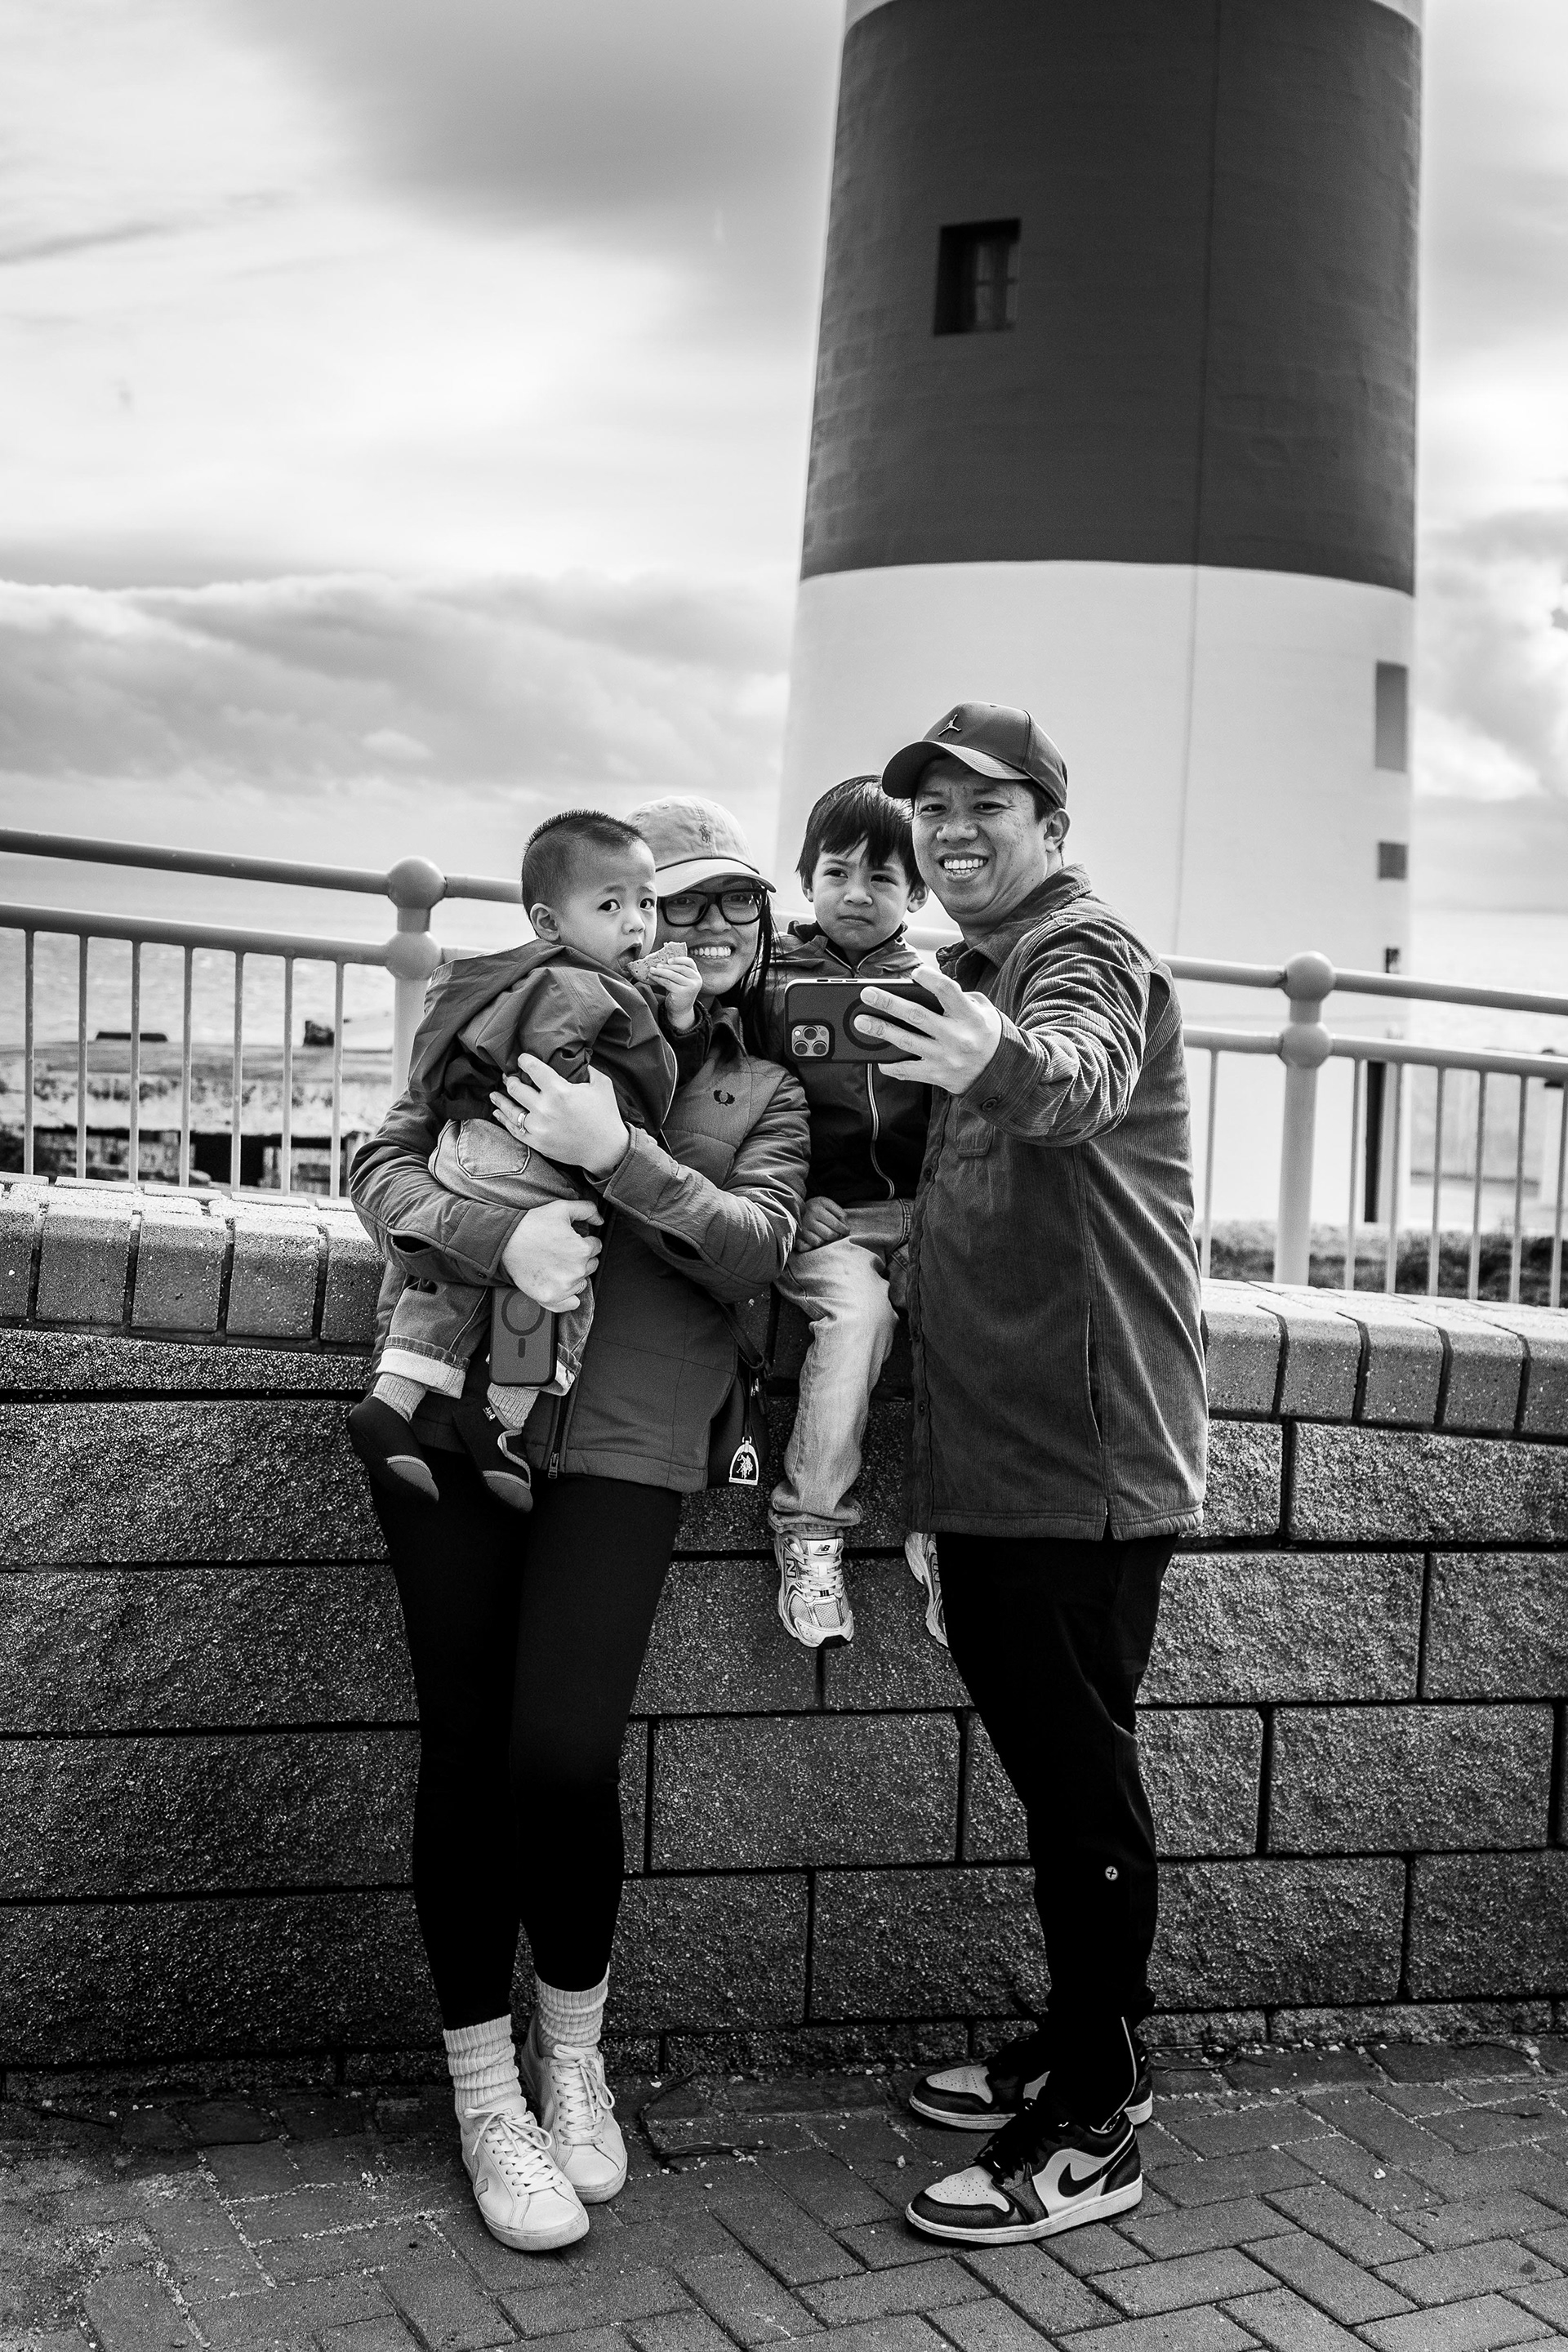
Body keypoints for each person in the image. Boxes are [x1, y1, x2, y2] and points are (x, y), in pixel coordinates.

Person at [348, 795, 808, 2256]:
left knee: (560, 1753)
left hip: (627, 1446)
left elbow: (753, 1253)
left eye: (731, 907)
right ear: (614, 910)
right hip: (456, 1413)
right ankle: (487, 2090)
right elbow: (383, 1165)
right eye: (671, 904)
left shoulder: (763, 1092)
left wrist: (616, 1154)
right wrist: (499, 1234)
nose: (697, 932)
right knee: (469, 1750)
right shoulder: (514, 1006)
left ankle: (574, 2059)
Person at [851, 702, 1206, 2246]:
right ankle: (1077, 2042)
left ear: (1053, 828)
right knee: (1061, 1767)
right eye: (929, 808)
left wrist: (993, 1047)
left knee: (1077, 1784)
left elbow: (1072, 1076)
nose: (951, 830)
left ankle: (1100, 2112)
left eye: (989, 805)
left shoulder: (1084, 952)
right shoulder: (961, 972)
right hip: (1001, 1457)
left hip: (1087, 1456)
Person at [345, 812, 702, 1512]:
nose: (637, 924)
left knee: (484, 1286)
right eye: (611, 906)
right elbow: (579, 1068)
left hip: (478, 1150)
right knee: (561, 1288)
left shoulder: (560, 975)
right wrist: (603, 1124)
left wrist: (674, 1014)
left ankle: (395, 1398)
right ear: (547, 921)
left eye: (647, 903)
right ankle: (500, 1415)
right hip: (523, 1154)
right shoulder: (573, 983)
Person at [761, 776, 943, 1649]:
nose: (857, 895)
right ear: (805, 880)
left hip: (915, 1215)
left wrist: (920, 1215)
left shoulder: (942, 989)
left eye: (883, 877)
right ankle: (811, 1528)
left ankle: (948, 1529)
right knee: (861, 1314)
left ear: (917, 891)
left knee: (973, 1316)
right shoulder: (768, 982)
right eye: (837, 873)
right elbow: (736, 1112)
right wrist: (790, 1201)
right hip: (810, 1220)